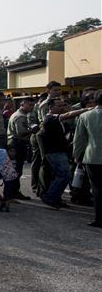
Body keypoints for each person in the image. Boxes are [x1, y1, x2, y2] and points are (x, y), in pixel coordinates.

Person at [39, 98, 89, 209]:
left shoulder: (59, 121)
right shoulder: (50, 119)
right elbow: (69, 114)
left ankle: (55, 197)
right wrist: (87, 109)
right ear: (50, 107)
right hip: (54, 152)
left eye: (62, 105)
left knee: (62, 175)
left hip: (59, 151)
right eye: (59, 106)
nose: (62, 108)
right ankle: (50, 197)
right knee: (63, 175)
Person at [72, 89, 102, 228]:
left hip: (93, 157)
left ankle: (99, 218)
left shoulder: (86, 116)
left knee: (96, 189)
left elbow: (79, 140)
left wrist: (77, 156)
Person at [6, 97, 35, 200]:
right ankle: (13, 192)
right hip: (17, 143)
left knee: (15, 169)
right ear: (23, 104)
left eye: (33, 105)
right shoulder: (20, 116)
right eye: (30, 105)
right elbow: (21, 132)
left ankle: (13, 192)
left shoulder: (17, 114)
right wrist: (32, 129)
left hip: (15, 143)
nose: (32, 107)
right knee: (16, 170)